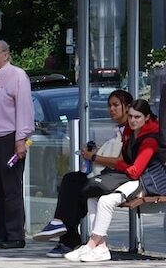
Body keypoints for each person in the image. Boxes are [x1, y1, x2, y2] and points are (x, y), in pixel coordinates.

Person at [33, 89, 133, 257]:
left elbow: (121, 161)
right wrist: (95, 154)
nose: (111, 109)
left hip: (120, 178)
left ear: (128, 107)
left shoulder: (130, 132)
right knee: (71, 180)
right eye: (109, 106)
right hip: (109, 175)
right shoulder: (119, 130)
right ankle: (63, 229)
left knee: (78, 187)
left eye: (116, 105)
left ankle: (67, 236)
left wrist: (93, 156)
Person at [66, 99, 162, 263]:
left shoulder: (150, 140)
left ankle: (91, 244)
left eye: (137, 117)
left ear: (146, 118)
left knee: (106, 201)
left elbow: (135, 170)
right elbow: (129, 167)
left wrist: (118, 164)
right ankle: (101, 246)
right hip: (133, 179)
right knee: (93, 195)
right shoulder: (130, 133)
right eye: (131, 116)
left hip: (148, 182)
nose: (132, 120)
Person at [0, 40, 34, 250]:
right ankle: (1, 233)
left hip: (9, 139)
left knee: (11, 188)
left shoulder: (16, 76)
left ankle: (15, 235)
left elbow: (24, 108)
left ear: (5, 55)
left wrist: (21, 139)